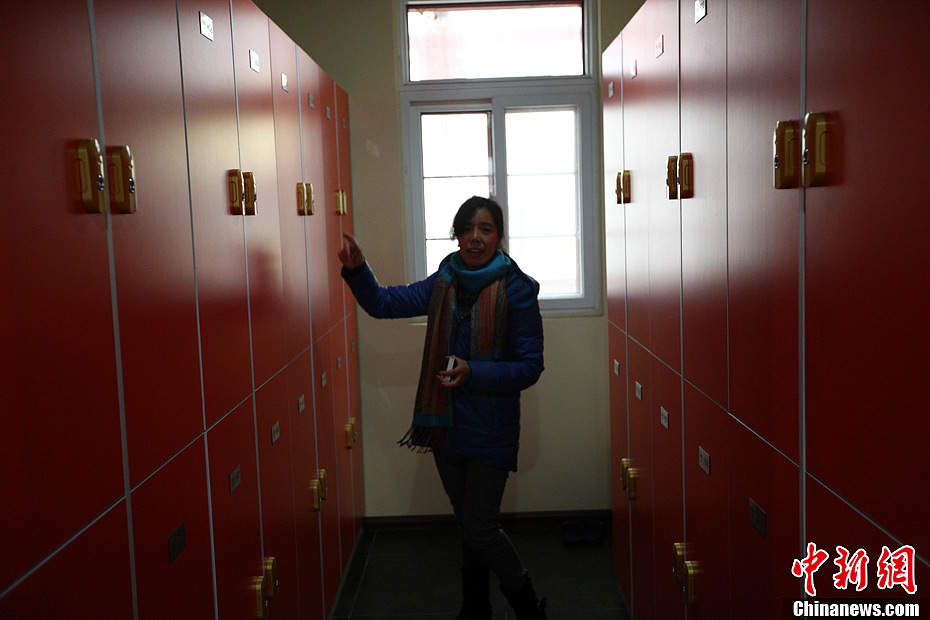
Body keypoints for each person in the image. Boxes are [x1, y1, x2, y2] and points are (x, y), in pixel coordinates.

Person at [338, 196, 546, 620]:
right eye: (467, 229)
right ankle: (475, 607)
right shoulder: (443, 282)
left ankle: (528, 607)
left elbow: (530, 366)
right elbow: (384, 304)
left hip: (491, 427)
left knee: (480, 527)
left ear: (499, 237)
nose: (475, 238)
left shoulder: (518, 290)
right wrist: (358, 270)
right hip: (446, 426)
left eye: (485, 229)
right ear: (456, 235)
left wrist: (476, 372)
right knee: (467, 523)